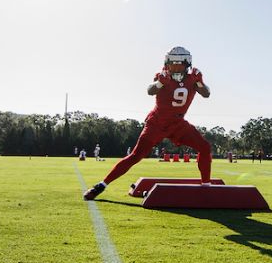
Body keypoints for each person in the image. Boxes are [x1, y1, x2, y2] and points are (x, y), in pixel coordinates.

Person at [83, 46, 213, 200]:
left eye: (179, 64)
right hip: (157, 123)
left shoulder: (193, 78)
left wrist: (200, 83)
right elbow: (150, 90)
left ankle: (206, 186)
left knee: (205, 148)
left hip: (178, 123)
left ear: (187, 64)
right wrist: (159, 83)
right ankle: (101, 185)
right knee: (136, 155)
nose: (176, 68)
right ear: (167, 63)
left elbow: (206, 94)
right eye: (173, 64)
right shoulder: (162, 76)